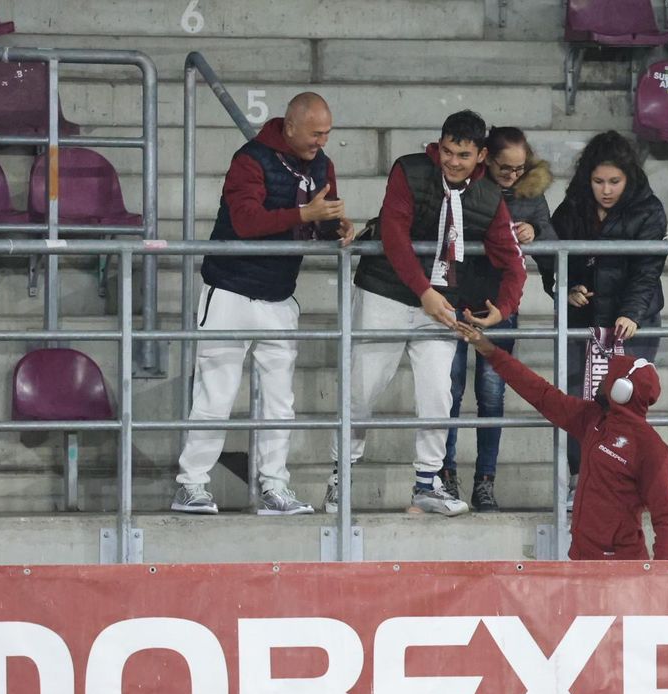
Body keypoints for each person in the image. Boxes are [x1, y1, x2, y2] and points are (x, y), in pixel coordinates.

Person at [325, 110, 527, 516]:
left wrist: (501, 310)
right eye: (448, 151)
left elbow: (514, 262)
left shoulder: (489, 196)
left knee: (439, 393)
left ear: (481, 155)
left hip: (442, 302)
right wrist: (423, 292)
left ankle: (427, 484)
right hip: (385, 292)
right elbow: (394, 236)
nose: (453, 161)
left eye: (463, 155)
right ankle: (339, 478)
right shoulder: (409, 170)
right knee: (363, 388)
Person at [172, 92, 354, 515]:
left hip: (279, 294)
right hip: (230, 289)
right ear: (289, 126)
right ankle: (191, 484)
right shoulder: (249, 159)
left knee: (279, 400)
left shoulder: (322, 165)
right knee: (215, 394)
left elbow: (316, 220)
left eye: (326, 134)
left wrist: (336, 228)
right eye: (314, 134)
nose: (321, 142)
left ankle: (275, 486)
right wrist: (304, 215)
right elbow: (245, 221)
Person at [456, 322, 668, 560]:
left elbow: (667, 519)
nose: (600, 380)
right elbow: (540, 393)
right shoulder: (592, 418)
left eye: (607, 377)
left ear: (621, 390)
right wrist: (490, 351)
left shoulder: (651, 448)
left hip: (621, 568)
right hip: (580, 559)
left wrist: (659, 579)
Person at [543, 130, 667, 502]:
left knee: (626, 407)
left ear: (628, 178)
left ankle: (625, 485)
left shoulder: (649, 209)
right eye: (598, 181)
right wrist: (565, 288)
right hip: (583, 323)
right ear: (587, 179)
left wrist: (631, 313)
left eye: (614, 181)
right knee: (579, 404)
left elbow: (647, 269)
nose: (606, 190)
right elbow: (554, 256)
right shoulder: (573, 205)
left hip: (633, 325)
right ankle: (581, 482)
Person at [439, 126, 557, 512]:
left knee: (491, 395)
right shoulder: (463, 185)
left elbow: (554, 243)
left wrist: (535, 231)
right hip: (455, 300)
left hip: (500, 305)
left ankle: (485, 482)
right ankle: (446, 475)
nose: (512, 176)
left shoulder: (530, 193)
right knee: (450, 392)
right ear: (486, 159)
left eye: (519, 169)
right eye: (505, 168)